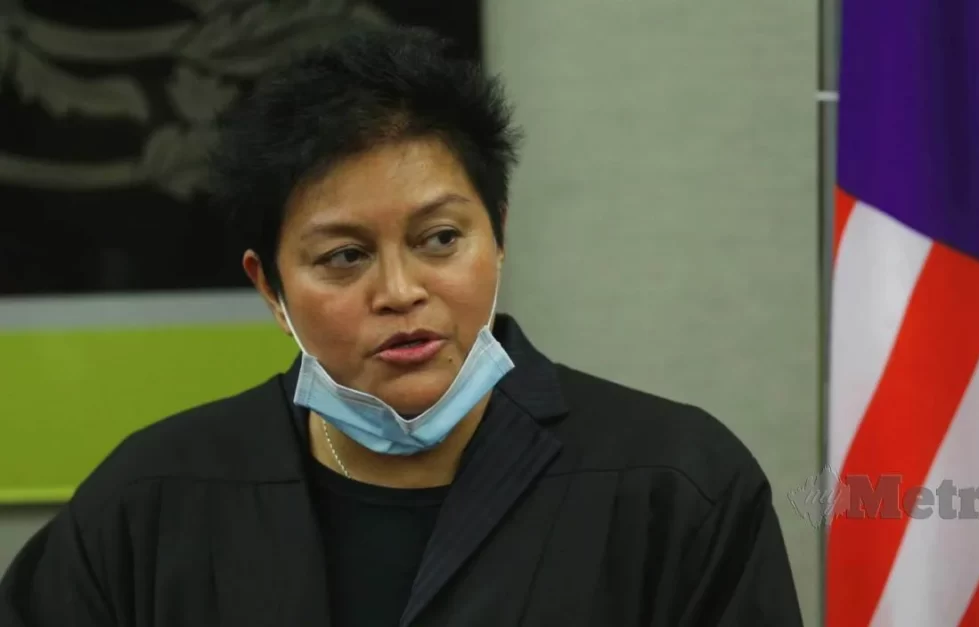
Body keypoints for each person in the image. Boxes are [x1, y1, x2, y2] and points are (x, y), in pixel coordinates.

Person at [0, 25, 804, 627]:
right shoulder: (149, 504)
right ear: (270, 287)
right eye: (344, 256)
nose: (399, 290)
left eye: (440, 239)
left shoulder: (676, 485)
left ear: (499, 232)